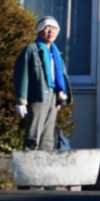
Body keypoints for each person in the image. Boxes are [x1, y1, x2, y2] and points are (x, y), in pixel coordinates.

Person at [12, 15, 70, 151]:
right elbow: (22, 74)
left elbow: (61, 75)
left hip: (54, 97)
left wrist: (61, 94)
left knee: (48, 137)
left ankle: (44, 167)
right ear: (40, 30)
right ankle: (29, 166)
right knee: (33, 134)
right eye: (47, 28)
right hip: (38, 96)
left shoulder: (56, 53)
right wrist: (21, 101)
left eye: (54, 28)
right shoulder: (31, 50)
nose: (51, 32)